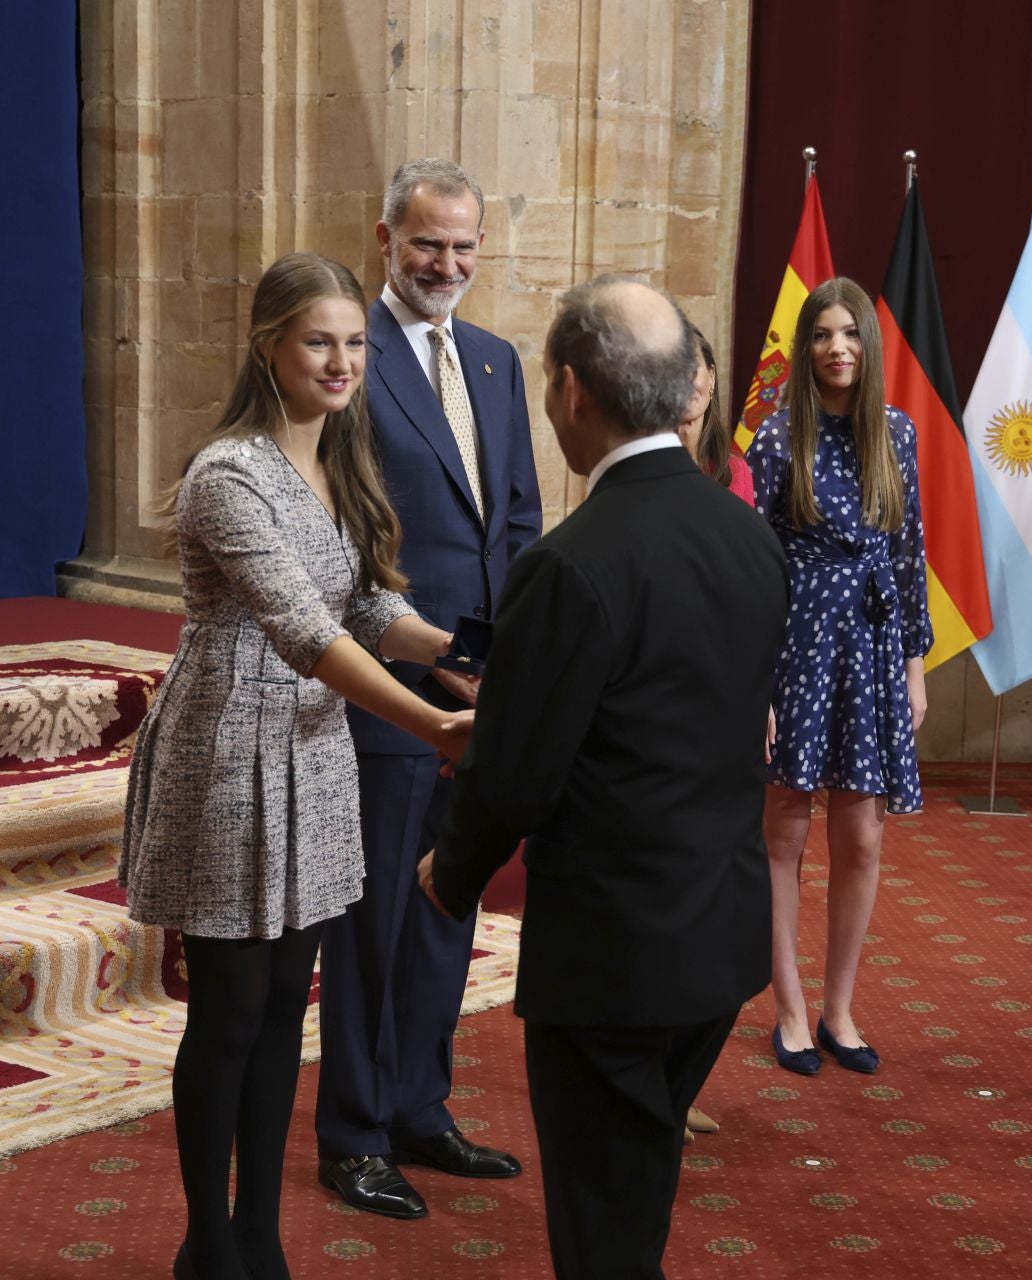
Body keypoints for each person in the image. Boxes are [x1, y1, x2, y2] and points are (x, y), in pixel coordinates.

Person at [418, 276, 788, 1279]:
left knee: (601, 1223)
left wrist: (451, 873)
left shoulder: (572, 562)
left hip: (616, 954)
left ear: (572, 391)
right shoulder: (751, 536)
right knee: (638, 1185)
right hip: (720, 931)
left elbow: (519, 774)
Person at [118, 253, 473, 1280]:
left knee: (285, 1007)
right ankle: (206, 1241)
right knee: (227, 1011)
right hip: (228, 749)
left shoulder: (339, 457)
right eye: (320, 340)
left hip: (313, 754)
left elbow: (365, 609)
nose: (343, 360)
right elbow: (302, 628)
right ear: (269, 343)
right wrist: (431, 725)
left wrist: (463, 666)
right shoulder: (227, 471)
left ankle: (260, 1235)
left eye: (356, 342)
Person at [315, 158, 538, 1218]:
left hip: (482, 695)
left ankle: (419, 1105)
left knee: (448, 901)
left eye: (463, 246)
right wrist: (425, 656)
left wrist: (510, 660)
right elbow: (342, 536)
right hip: (388, 684)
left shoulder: (496, 361)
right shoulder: (350, 358)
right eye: (426, 244)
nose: (446, 263)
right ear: (385, 238)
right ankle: (354, 1131)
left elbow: (520, 527)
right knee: (373, 922)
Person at [745, 277, 931, 1077]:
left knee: (861, 834)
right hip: (798, 643)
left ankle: (839, 1008)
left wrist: (915, 669)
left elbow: (909, 552)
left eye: (850, 334)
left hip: (876, 647)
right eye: (822, 334)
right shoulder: (776, 437)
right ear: (806, 346)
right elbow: (754, 568)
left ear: (869, 346)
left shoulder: (897, 431)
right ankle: (787, 1005)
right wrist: (755, 683)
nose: (837, 348)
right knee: (784, 826)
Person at [674, 326, 751, 1143]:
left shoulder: (738, 475)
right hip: (668, 703)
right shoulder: (628, 473)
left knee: (723, 914)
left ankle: (682, 1075)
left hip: (729, 703)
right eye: (679, 370)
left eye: (701, 372)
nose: (692, 386)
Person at [679, 327, 755, 504]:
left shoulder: (736, 471)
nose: (682, 380)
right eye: (670, 370)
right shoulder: (640, 469)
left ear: (711, 376)